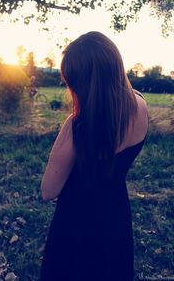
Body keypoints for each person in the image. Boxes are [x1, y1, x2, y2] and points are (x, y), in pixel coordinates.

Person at [40, 31, 149, 281]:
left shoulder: (77, 127)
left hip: (77, 224)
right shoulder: (140, 105)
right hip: (116, 215)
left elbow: (48, 190)